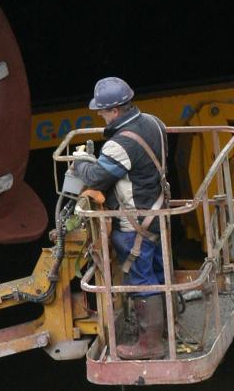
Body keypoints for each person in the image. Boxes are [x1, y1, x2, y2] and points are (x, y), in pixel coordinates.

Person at [73, 76, 170, 360]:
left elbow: (96, 177)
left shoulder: (120, 145)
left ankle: (150, 345)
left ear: (115, 110)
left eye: (102, 112)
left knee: (141, 278)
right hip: (158, 212)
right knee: (159, 271)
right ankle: (168, 326)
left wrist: (79, 162)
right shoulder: (154, 122)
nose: (101, 116)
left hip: (134, 224)